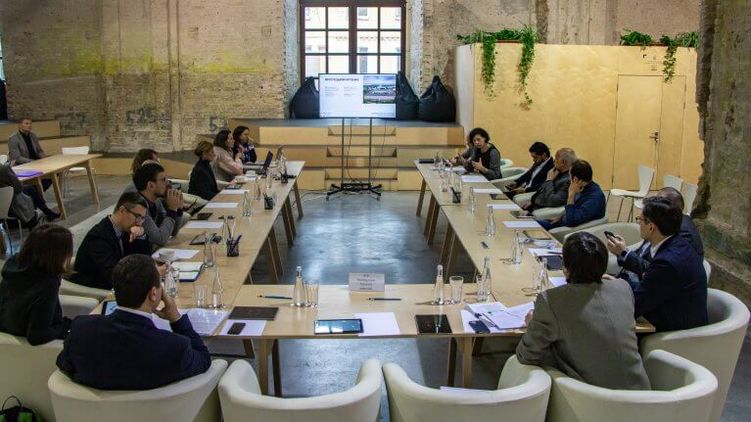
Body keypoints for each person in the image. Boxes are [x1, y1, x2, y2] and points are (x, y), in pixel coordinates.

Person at [516, 232, 650, 390]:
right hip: (644, 395)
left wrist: (532, 325)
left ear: (566, 267)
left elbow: (526, 355)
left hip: (589, 396)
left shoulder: (551, 300)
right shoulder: (623, 288)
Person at [56, 255, 211, 390]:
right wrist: (176, 319)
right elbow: (203, 358)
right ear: (154, 293)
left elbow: (65, 365)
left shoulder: (82, 329)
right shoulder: (174, 347)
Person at [616, 197, 708, 332]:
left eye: (640, 220)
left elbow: (636, 305)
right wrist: (619, 283)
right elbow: (650, 287)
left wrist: (615, 289)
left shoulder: (666, 263)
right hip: (672, 308)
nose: (639, 223)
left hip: (675, 331)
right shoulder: (678, 243)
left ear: (651, 227)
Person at [607, 187, 704, 282]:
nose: (639, 222)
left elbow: (657, 273)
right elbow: (644, 254)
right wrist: (622, 252)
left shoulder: (681, 234)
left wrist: (624, 253)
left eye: (657, 202)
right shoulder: (660, 222)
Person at [0, 224, 74, 345]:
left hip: (7, 326)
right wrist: (64, 327)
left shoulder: (15, 264)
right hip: (29, 342)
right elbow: (38, 336)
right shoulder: (47, 283)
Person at [69, 192, 151, 290]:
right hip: (92, 291)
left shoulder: (126, 230)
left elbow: (143, 260)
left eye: (142, 219)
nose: (139, 223)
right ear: (122, 210)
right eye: (138, 217)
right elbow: (114, 275)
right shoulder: (98, 237)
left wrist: (140, 236)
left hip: (116, 285)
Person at [537, 160, 606, 230]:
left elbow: (571, 221)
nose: (569, 179)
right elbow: (574, 208)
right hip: (560, 222)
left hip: (564, 229)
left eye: (569, 175)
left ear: (575, 179)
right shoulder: (584, 187)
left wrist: (571, 194)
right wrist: (560, 216)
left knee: (532, 225)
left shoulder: (594, 198)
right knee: (531, 222)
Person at [128, 163, 183, 247]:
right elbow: (161, 239)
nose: (168, 183)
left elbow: (171, 232)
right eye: (163, 180)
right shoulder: (138, 208)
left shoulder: (156, 202)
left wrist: (178, 209)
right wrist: (172, 210)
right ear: (151, 185)